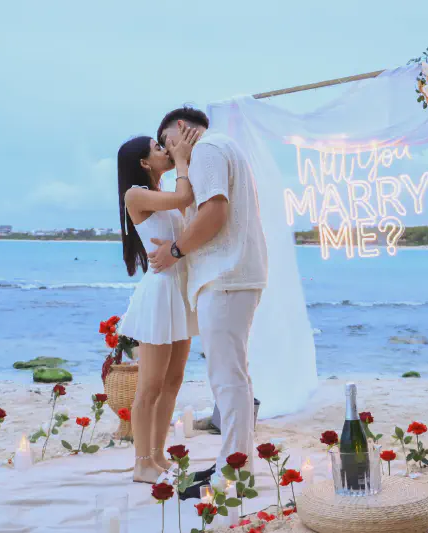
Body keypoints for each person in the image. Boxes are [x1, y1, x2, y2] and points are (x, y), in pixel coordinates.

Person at [149, 107, 268, 496]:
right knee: (234, 375)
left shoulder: (208, 150)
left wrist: (175, 251)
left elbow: (214, 211)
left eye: (168, 142)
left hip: (225, 276)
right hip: (233, 276)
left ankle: (233, 473)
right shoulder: (222, 148)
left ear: (181, 130)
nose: (169, 154)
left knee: (226, 377)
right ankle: (236, 462)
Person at [116, 127, 201, 483]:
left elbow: (188, 198)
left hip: (179, 290)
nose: (165, 149)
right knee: (150, 384)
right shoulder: (136, 195)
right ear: (143, 162)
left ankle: (158, 456)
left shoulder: (161, 191)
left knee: (174, 380)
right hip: (160, 292)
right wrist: (181, 159)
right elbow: (185, 199)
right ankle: (141, 463)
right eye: (158, 147)